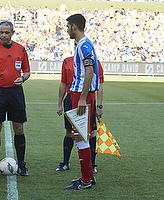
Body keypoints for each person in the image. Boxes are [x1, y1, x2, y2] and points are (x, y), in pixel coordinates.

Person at [0, 21, 31, 176]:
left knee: (19, 128)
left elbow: (27, 71)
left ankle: (22, 165)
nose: (3, 35)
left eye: (6, 32)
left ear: (12, 33)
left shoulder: (21, 49)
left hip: (16, 93)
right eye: (1, 32)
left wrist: (23, 78)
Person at [65, 14, 100, 190]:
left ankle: (86, 180)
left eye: (68, 26)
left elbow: (89, 72)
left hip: (81, 94)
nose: (67, 30)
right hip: (81, 94)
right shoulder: (82, 44)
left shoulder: (84, 45)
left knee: (79, 136)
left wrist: (82, 98)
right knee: (80, 135)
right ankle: (88, 176)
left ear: (74, 27)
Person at [56, 48, 104, 174]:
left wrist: (99, 106)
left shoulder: (95, 63)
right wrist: (59, 104)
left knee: (90, 133)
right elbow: (63, 83)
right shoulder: (67, 61)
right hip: (70, 98)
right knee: (69, 132)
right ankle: (65, 163)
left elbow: (99, 85)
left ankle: (92, 165)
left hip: (87, 100)